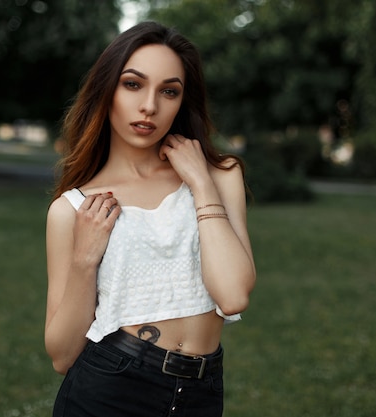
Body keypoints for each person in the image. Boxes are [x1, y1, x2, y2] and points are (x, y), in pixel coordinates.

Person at [44, 21, 256, 417]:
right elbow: (61, 355)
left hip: (202, 391)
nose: (149, 106)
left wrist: (199, 182)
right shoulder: (73, 208)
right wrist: (84, 260)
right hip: (110, 387)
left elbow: (233, 294)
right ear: (106, 91)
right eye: (133, 84)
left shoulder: (220, 175)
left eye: (169, 91)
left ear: (181, 102)